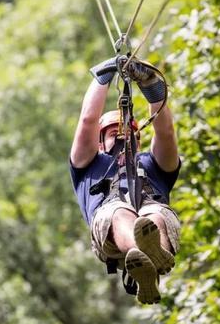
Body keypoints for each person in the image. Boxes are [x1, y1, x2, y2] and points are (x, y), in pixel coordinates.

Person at [69, 56, 181, 304]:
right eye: (113, 134)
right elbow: (88, 120)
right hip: (111, 231)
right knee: (119, 212)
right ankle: (142, 254)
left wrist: (153, 87)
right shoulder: (88, 164)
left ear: (138, 138)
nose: (122, 137)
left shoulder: (153, 164)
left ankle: (153, 257)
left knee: (154, 216)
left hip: (153, 218)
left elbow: (165, 131)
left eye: (128, 132)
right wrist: (104, 74)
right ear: (100, 141)